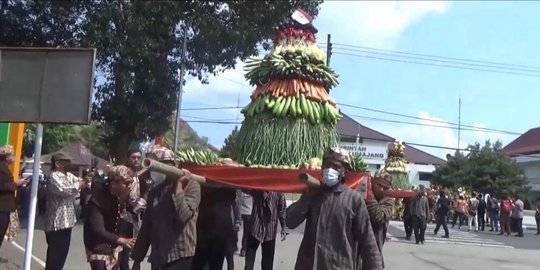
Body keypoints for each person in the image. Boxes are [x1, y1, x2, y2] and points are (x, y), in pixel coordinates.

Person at [286, 147, 383, 270]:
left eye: (336, 166)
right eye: (327, 165)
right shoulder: (314, 194)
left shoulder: (353, 200)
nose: (330, 170)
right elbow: (289, 221)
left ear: (344, 171)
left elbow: (368, 242)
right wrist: (307, 197)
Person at [130, 147, 201, 270]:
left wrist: (179, 187)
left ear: (169, 166)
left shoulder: (191, 185)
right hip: (158, 257)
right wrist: (137, 259)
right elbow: (146, 227)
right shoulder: (154, 191)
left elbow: (183, 216)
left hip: (180, 255)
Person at [84, 166, 136, 270]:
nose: (129, 186)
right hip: (97, 243)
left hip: (114, 240)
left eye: (130, 182)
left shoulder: (124, 193)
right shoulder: (97, 199)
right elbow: (97, 229)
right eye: (126, 183)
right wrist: (122, 240)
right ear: (113, 184)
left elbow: (131, 207)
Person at [45, 152, 89, 270]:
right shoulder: (53, 176)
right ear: (58, 163)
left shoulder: (68, 175)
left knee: (61, 257)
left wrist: (88, 179)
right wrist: (83, 183)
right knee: (54, 259)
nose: (70, 164)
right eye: (66, 161)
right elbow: (66, 190)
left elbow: (80, 182)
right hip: (56, 224)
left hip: (68, 222)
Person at [243, 189, 287, 270]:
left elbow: (282, 210)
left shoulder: (279, 193)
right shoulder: (257, 189)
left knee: (267, 264)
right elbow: (246, 188)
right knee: (249, 261)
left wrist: (284, 227)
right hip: (255, 229)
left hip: (270, 231)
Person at [0, 145, 29, 263]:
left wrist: (19, 184)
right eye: (12, 155)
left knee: (2, 233)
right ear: (7, 157)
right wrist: (16, 183)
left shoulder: (5, 169)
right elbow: (2, 186)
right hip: (1, 207)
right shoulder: (1, 169)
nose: (14, 158)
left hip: (6, 207)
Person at [118, 148, 146, 270]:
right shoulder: (124, 172)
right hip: (123, 216)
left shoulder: (137, 172)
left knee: (130, 248)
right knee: (123, 249)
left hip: (134, 216)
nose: (136, 159)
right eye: (133, 157)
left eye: (138, 157)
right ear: (128, 158)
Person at [366, 171, 394, 268]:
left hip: (372, 251)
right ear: (372, 182)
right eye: (379, 185)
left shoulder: (388, 200)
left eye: (386, 188)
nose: (382, 190)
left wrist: (369, 196)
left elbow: (378, 216)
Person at [238, 190, 253, 257]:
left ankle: (243, 249)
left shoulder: (240, 190)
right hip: (249, 213)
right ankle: (245, 249)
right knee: (248, 233)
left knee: (245, 232)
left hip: (241, 212)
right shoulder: (252, 190)